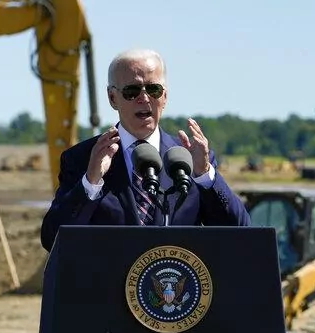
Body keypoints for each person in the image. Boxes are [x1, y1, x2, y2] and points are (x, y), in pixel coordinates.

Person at [40, 48, 251, 252]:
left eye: (153, 89)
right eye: (132, 91)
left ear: (165, 97)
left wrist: (204, 175)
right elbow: (53, 239)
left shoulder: (188, 158)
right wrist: (91, 182)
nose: (144, 98)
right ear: (113, 98)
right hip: (108, 286)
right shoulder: (83, 159)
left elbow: (240, 231)